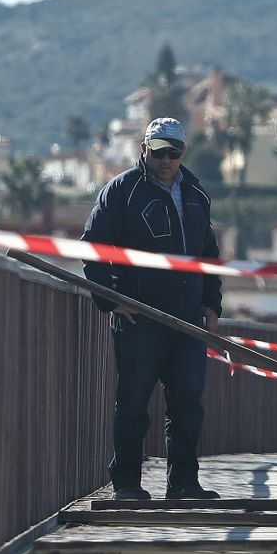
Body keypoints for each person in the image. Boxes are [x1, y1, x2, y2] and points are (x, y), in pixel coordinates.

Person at [81, 116, 222, 500]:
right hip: (139, 320)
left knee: (188, 405)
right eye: (157, 152)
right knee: (133, 404)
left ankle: (185, 484)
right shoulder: (122, 191)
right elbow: (92, 247)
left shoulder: (196, 195)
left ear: (182, 154)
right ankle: (126, 483)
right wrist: (111, 299)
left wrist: (212, 304)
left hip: (188, 321)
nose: (164, 160)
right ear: (144, 149)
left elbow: (208, 255)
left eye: (172, 153)